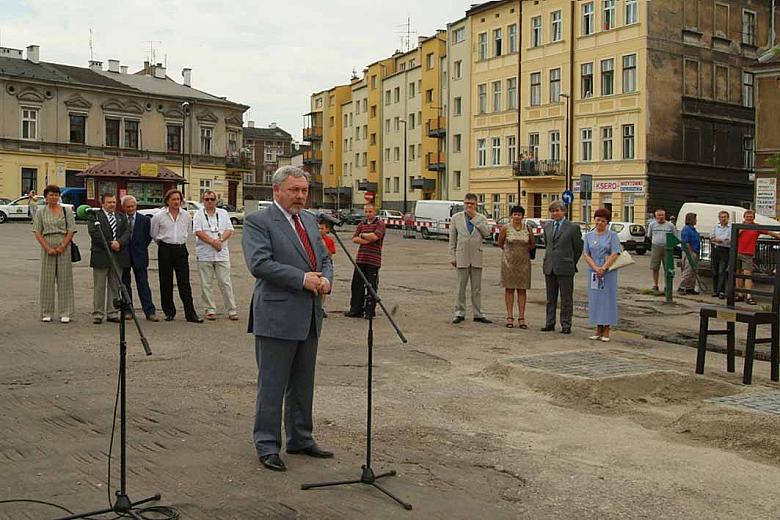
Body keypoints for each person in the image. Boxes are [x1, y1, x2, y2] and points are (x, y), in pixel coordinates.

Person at [242, 166, 333, 472]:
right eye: (294, 190)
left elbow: (324, 258)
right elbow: (259, 263)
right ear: (276, 191)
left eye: (304, 190)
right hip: (277, 315)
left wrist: (326, 281)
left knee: (303, 382)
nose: (300, 196)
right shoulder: (258, 221)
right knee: (273, 384)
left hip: (308, 314)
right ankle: (267, 444)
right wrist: (302, 279)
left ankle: (300, 437)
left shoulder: (309, 220)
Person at [150, 189, 203, 323]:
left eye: (178, 199)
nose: (176, 202)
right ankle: (169, 311)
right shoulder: (159, 216)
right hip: (165, 249)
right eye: (173, 199)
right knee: (166, 282)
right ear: (167, 201)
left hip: (180, 249)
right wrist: (163, 244)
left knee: (184, 282)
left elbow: (187, 231)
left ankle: (190, 314)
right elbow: (154, 234)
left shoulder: (186, 215)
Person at [32, 184, 76, 323]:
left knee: (65, 280)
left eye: (56, 195)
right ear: (45, 197)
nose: (54, 197)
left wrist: (63, 246)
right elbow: (37, 232)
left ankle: (65, 312)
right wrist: (47, 248)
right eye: (51, 195)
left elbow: (71, 230)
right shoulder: (41, 211)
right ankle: (46, 312)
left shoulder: (66, 210)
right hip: (47, 245)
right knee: (47, 280)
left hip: (64, 244)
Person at [193, 190, 238, 321]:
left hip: (221, 254)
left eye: (212, 199)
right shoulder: (198, 214)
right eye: (206, 199)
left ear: (216, 201)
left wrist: (220, 241)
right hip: (205, 254)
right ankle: (210, 309)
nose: (209, 202)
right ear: (203, 201)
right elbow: (198, 231)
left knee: (225, 282)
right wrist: (213, 242)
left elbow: (229, 230)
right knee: (206, 284)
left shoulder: (223, 213)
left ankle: (231, 309)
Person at [449, 193, 492, 324]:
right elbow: (452, 239)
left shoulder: (481, 218)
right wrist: (452, 256)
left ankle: (478, 313)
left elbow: (487, 234)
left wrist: (474, 218)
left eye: (471, 204)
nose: (469, 206)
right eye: (467, 203)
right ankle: (459, 312)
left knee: (476, 288)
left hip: (476, 256)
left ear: (476, 204)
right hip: (461, 255)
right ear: (463, 203)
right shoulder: (456, 218)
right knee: (461, 286)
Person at [541, 200, 584, 334]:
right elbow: (548, 244)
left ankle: (566, 324)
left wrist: (571, 261)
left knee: (566, 298)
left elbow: (578, 248)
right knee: (550, 298)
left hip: (565, 266)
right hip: (550, 266)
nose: (555, 213)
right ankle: (550, 322)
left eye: (558, 210)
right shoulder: (547, 226)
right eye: (553, 211)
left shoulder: (572, 227)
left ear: (564, 212)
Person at [88, 193, 131, 324]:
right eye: (109, 202)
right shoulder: (95, 216)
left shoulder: (121, 217)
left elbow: (127, 232)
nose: (112, 205)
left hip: (118, 256)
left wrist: (119, 242)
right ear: (103, 204)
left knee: (115, 286)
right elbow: (94, 233)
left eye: (113, 202)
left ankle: (112, 313)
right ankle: (98, 314)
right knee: (99, 286)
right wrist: (110, 244)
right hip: (101, 255)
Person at [583, 208, 621, 342]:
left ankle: (606, 329)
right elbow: (586, 254)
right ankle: (598, 328)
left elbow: (615, 252)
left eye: (603, 221)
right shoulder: (588, 235)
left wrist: (604, 268)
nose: (599, 223)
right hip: (594, 271)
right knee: (596, 299)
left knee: (607, 299)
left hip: (608, 271)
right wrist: (595, 268)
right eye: (598, 220)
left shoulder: (612, 236)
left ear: (607, 222)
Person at [121, 196, 160, 321]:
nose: (131, 209)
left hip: (140, 256)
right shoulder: (120, 219)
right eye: (128, 207)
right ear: (123, 207)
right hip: (124, 256)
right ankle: (128, 310)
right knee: (125, 285)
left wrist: (140, 248)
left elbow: (148, 237)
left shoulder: (145, 220)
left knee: (143, 284)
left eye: (133, 206)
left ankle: (149, 311)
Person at [497, 205, 535, 329]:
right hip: (509, 262)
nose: (517, 216)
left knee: (522, 290)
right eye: (515, 214)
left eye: (519, 214)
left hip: (523, 263)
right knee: (509, 289)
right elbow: (500, 242)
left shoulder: (528, 228)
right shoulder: (505, 228)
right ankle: (509, 316)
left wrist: (523, 252)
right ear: (511, 215)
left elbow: (532, 244)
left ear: (523, 216)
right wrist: (509, 251)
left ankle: (522, 317)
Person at [345, 203, 385, 318]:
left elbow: (375, 236)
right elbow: (354, 238)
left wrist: (363, 235)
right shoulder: (361, 224)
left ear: (375, 212)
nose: (368, 214)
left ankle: (369, 311)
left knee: (371, 286)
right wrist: (366, 239)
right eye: (366, 212)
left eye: (370, 212)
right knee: (357, 284)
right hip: (361, 258)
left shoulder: (380, 224)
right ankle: (356, 309)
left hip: (373, 260)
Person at [735, 209, 780, 305]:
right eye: (747, 217)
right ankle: (739, 294)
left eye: (751, 217)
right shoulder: (739, 226)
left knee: (747, 274)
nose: (749, 219)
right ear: (744, 217)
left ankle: (749, 295)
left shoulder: (756, 227)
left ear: (753, 218)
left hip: (748, 253)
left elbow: (769, 232)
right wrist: (741, 230)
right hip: (737, 252)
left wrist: (778, 236)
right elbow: (733, 236)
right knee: (737, 274)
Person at [646, 209, 677, 293]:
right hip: (656, 247)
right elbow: (649, 235)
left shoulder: (670, 225)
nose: (661, 217)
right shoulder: (652, 225)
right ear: (656, 216)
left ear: (665, 216)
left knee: (668, 267)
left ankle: (667, 286)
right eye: (659, 215)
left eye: (662, 215)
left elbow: (675, 236)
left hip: (667, 248)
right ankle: (655, 285)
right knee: (655, 267)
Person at [710, 210, 732, 299]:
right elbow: (711, 237)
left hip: (725, 250)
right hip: (716, 250)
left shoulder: (730, 228)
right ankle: (715, 290)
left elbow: (729, 240)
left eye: (725, 217)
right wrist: (719, 240)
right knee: (715, 271)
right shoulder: (716, 227)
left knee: (722, 271)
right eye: (721, 217)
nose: (723, 219)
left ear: (728, 218)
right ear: (719, 218)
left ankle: (721, 291)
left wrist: (720, 240)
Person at [678, 213, 701, 295]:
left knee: (693, 271)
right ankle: (682, 286)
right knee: (688, 270)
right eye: (695, 219)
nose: (696, 221)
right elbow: (686, 242)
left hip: (695, 251)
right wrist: (690, 253)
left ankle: (690, 287)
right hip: (690, 252)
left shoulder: (693, 229)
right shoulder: (687, 229)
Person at [319, 221, 336, 318]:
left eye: (322, 228)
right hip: (317, 264)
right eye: (318, 228)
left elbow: (330, 254)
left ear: (327, 229)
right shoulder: (313, 239)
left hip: (326, 264)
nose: (320, 231)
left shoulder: (329, 241)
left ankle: (321, 307)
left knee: (324, 287)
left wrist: (324, 246)